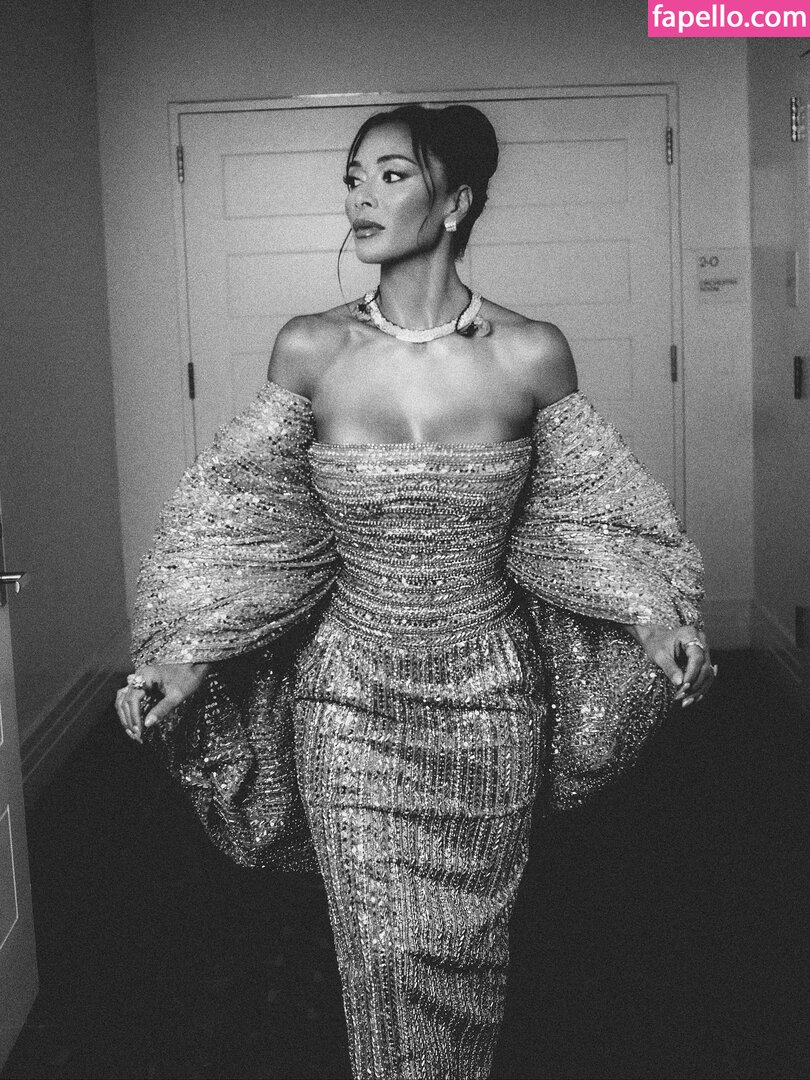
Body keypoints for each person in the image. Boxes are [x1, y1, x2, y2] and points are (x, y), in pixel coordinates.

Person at [115, 103, 715, 1080]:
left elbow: (589, 516)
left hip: (491, 702)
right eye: (354, 178)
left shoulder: (532, 353)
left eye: (391, 175)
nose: (361, 196)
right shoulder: (310, 349)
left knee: (467, 952)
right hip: (350, 701)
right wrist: (184, 655)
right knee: (383, 955)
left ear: (456, 202)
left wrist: (655, 620)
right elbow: (248, 526)